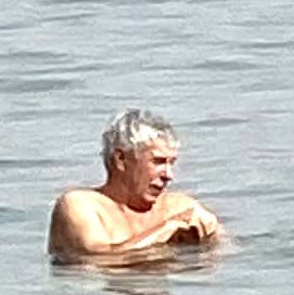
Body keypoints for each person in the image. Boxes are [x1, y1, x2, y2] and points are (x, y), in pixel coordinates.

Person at [48, 109, 224, 261]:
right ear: (121, 159)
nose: (169, 175)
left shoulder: (179, 207)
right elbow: (95, 260)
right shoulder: (80, 205)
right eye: (158, 162)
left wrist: (209, 237)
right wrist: (165, 231)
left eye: (171, 163)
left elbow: (230, 254)